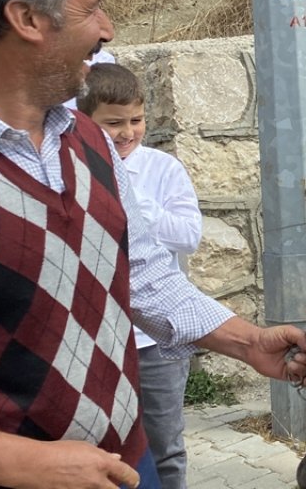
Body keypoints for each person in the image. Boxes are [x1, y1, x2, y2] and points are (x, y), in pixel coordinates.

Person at [0, 0, 306, 489]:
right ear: (27, 18)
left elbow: (141, 274)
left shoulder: (86, 139)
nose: (107, 29)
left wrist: (245, 340)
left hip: (125, 465)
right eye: (90, 9)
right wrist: (17, 462)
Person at [77, 63, 201, 489]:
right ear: (84, 119)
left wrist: (134, 205)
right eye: (113, 123)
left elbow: (188, 235)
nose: (127, 132)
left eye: (136, 120)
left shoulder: (162, 170)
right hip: (98, 338)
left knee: (165, 443)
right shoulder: (76, 165)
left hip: (155, 343)